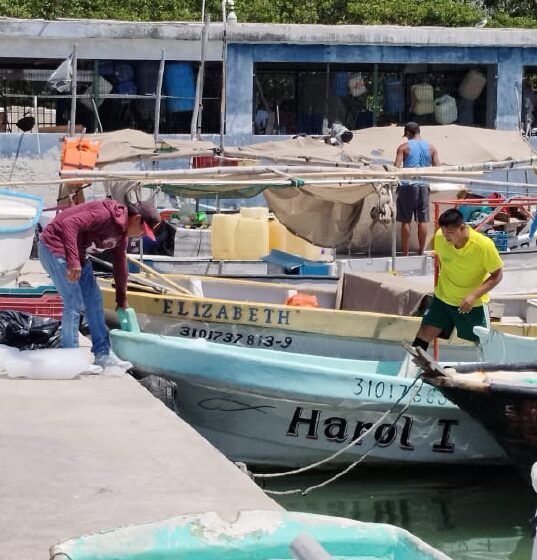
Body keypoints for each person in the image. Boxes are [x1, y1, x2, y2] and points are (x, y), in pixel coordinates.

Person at [38, 198, 161, 368]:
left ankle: (103, 354)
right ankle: (70, 357)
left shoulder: (121, 235)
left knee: (95, 301)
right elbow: (69, 223)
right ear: (137, 218)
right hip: (54, 247)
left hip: (79, 255)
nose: (141, 235)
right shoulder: (104, 214)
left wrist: (121, 299)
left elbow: (120, 264)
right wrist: (73, 261)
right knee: (73, 300)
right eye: (142, 230)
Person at [412, 208, 503, 351]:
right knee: (423, 335)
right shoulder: (440, 237)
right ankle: (411, 369)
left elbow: (497, 275)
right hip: (443, 299)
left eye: (451, 233)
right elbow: (443, 263)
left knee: (483, 344)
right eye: (444, 232)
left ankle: (488, 371)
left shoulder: (484, 245)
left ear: (462, 227)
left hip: (472, 304)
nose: (447, 237)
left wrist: (473, 296)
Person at [394, 122, 440, 256]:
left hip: (407, 185)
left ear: (408, 132)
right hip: (424, 186)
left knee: (405, 220)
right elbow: (438, 167)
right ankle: (421, 251)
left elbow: (396, 167)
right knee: (422, 219)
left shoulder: (403, 147)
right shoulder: (432, 148)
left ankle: (405, 253)